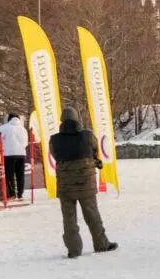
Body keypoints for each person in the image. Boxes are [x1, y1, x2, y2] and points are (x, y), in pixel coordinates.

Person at [49, 107, 116, 258]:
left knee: (69, 218)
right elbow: (94, 149)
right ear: (77, 119)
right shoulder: (87, 135)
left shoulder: (54, 139)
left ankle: (73, 250)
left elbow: (55, 156)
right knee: (92, 214)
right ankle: (101, 244)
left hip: (65, 185)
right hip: (85, 182)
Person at [0, 113, 28, 200]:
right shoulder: (23, 129)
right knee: (20, 175)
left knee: (9, 175)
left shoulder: (5, 127)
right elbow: (26, 143)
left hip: (9, 155)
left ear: (9, 119)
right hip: (21, 154)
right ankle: (20, 194)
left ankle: (11, 194)